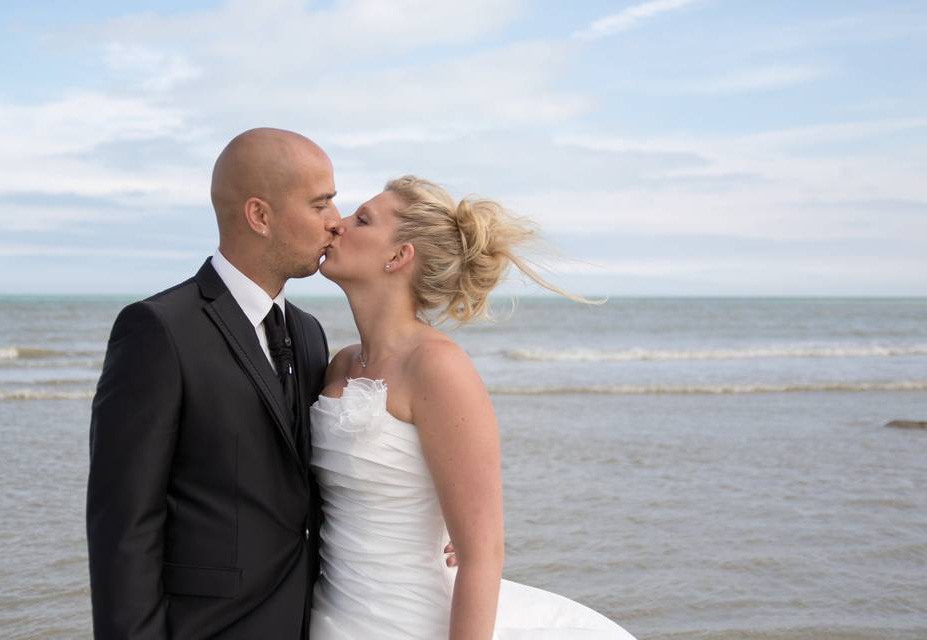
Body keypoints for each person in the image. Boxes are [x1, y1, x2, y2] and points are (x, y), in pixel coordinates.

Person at [311, 176, 636, 639]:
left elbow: (482, 556)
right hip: (329, 615)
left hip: (410, 623)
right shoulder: (340, 364)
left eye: (361, 219)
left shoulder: (438, 367)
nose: (337, 225)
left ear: (398, 256)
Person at [86, 128, 341, 639]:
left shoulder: (310, 334)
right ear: (259, 216)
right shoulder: (159, 330)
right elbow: (123, 527)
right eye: (321, 204)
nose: (336, 221)